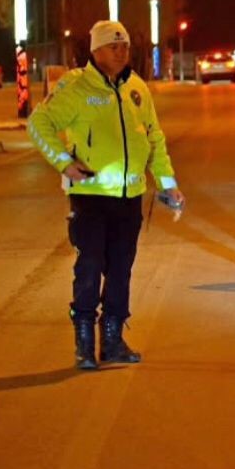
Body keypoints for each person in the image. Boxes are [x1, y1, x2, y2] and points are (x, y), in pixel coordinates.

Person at [28, 20, 184, 370]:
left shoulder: (137, 89)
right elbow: (39, 124)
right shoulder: (76, 86)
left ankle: (112, 340)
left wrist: (167, 181)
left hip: (129, 197)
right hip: (91, 196)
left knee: (120, 269)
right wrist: (64, 163)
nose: (121, 51)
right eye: (114, 46)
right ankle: (84, 342)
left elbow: (155, 139)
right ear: (96, 51)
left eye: (125, 45)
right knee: (90, 266)